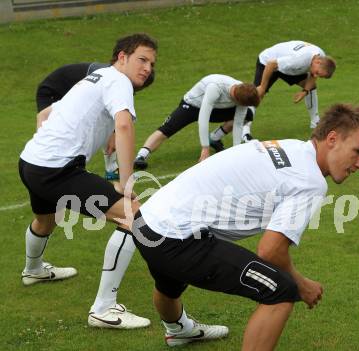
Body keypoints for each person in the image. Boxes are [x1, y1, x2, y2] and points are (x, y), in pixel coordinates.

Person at [131, 103, 359, 351]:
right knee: (281, 291)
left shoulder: (291, 148)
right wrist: (302, 286)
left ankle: (177, 329)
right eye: (358, 152)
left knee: (171, 277)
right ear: (332, 138)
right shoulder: (311, 180)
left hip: (148, 221)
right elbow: (271, 250)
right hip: (176, 235)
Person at [19, 33, 158, 329]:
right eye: (142, 59)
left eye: (151, 63)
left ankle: (33, 270)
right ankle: (104, 310)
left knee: (46, 220)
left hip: (31, 162)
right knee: (133, 215)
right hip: (58, 171)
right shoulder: (118, 81)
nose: (147, 68)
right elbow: (124, 124)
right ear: (122, 57)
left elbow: (45, 114)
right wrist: (125, 183)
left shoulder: (94, 78)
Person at [36, 62, 155, 180]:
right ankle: (44, 165)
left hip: (69, 90)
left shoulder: (121, 77)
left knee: (101, 127)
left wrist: (113, 132)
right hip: (53, 91)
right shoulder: (112, 77)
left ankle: (110, 169)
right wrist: (114, 133)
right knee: (62, 132)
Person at [133, 74, 260, 169]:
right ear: (236, 98)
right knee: (167, 129)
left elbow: (238, 123)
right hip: (192, 106)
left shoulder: (244, 95)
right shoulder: (215, 87)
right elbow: (203, 118)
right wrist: (205, 148)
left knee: (247, 115)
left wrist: (236, 153)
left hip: (219, 109)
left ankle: (215, 138)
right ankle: (141, 155)